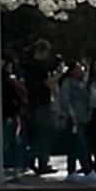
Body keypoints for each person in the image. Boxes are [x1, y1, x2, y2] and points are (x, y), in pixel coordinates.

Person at [24, 40, 63, 176]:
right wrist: (60, 74)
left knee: (38, 134)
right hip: (41, 103)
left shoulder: (30, 65)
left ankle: (35, 159)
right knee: (44, 134)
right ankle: (41, 161)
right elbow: (46, 83)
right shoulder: (37, 67)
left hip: (35, 102)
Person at [58, 61, 95, 181]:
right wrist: (71, 115)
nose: (81, 70)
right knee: (80, 143)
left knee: (75, 145)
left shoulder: (83, 83)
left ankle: (72, 170)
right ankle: (86, 169)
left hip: (84, 117)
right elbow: (65, 100)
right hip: (73, 118)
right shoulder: (67, 83)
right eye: (78, 68)